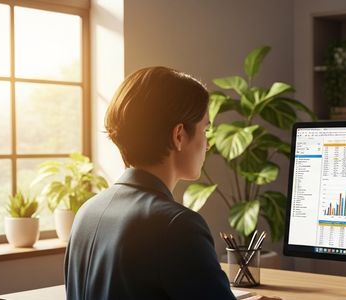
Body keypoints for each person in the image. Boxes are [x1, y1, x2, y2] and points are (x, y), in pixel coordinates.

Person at [64, 66, 235, 299]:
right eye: (205, 130)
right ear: (179, 136)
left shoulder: (87, 212)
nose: (207, 145)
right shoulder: (178, 226)